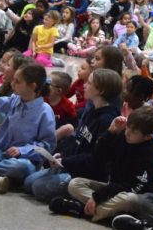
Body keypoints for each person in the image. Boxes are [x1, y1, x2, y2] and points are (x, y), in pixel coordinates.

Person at [24, 68, 122, 203]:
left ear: (101, 91)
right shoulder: (91, 109)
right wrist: (61, 156)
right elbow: (77, 140)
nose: (84, 86)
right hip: (71, 165)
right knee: (28, 182)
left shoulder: (107, 120)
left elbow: (95, 159)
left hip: (85, 175)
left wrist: (65, 162)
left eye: (89, 83)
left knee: (38, 188)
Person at [48, 107, 153, 221]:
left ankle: (82, 209)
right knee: (74, 184)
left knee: (130, 200)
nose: (128, 132)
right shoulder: (123, 135)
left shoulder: (149, 154)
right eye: (128, 127)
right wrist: (110, 132)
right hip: (112, 188)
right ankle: (103, 213)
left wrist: (98, 196)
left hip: (132, 194)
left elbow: (133, 186)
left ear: (148, 136)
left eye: (134, 132)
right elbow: (98, 158)